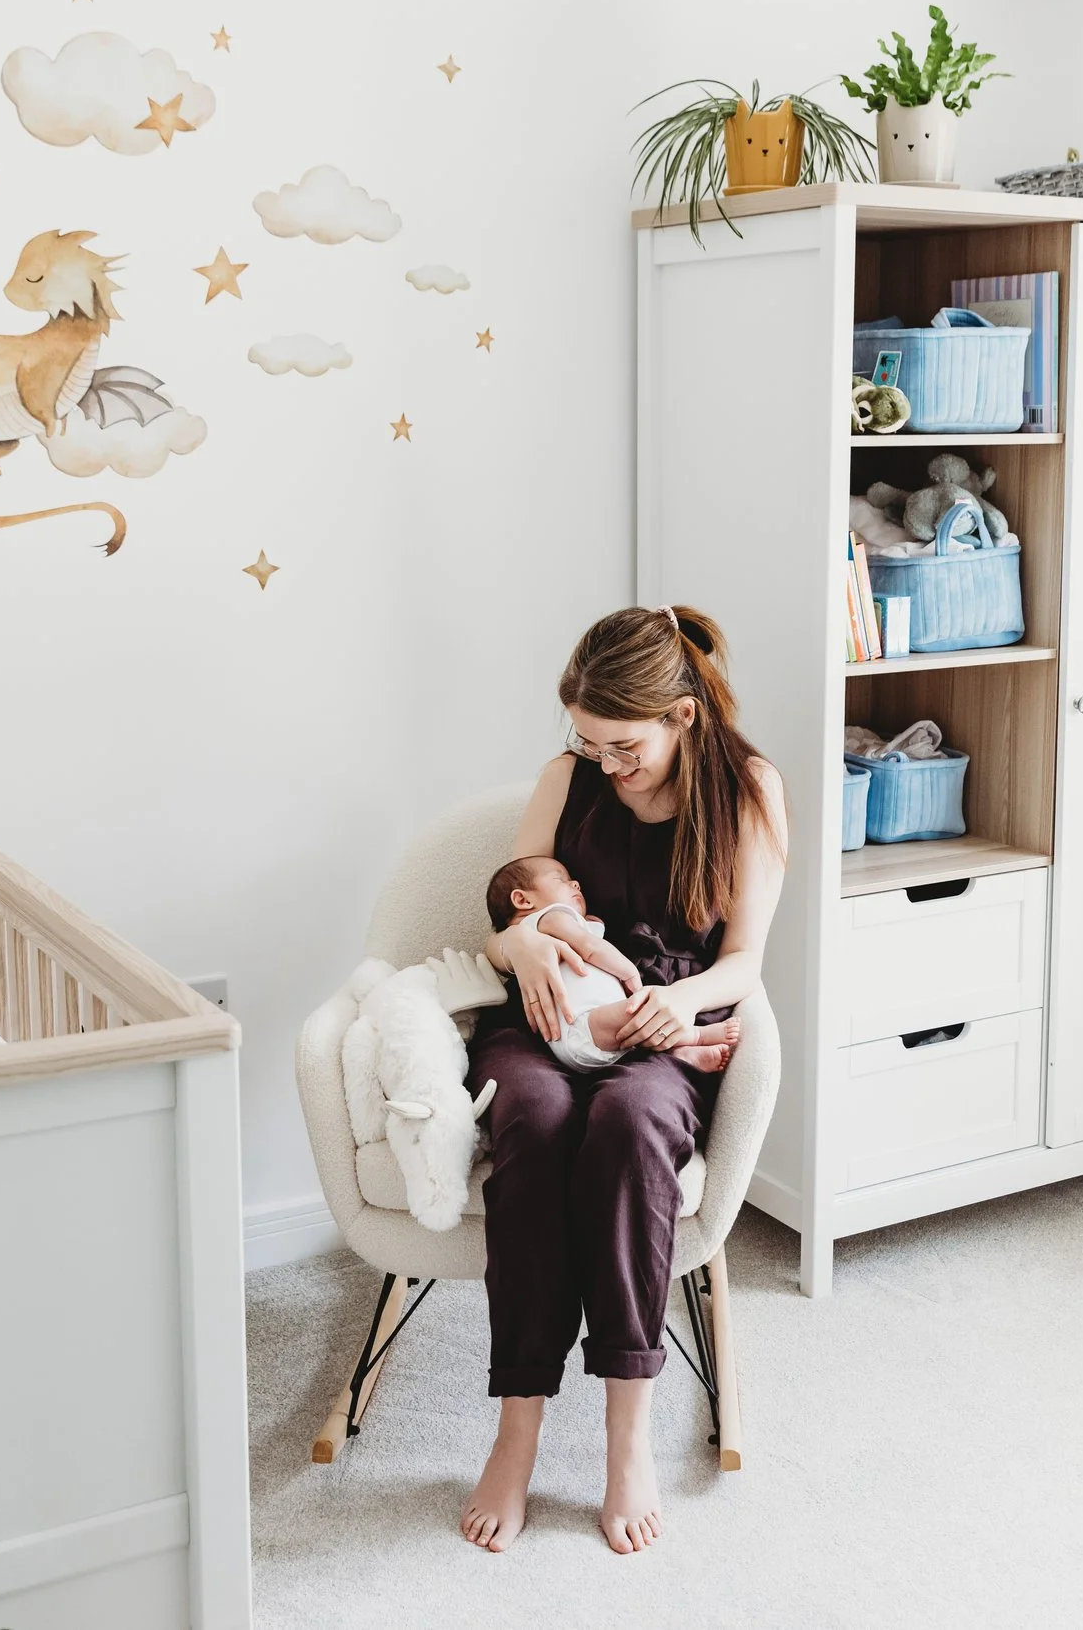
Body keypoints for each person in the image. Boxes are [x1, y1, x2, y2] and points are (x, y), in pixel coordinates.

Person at [460, 605, 786, 1556]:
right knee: (532, 1109)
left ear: (683, 715)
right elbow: (512, 903)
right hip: (552, 1016)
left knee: (633, 1123)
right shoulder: (568, 778)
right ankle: (517, 1432)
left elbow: (744, 962)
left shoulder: (749, 788)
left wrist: (683, 1012)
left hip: (665, 1028)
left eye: (623, 744)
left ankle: (627, 1434)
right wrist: (519, 943)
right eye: (588, 741)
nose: (604, 762)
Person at [483, 853, 745, 1076]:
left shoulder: (550, 929)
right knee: (645, 1011)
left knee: (639, 1031)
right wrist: (630, 975)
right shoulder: (549, 919)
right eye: (560, 880)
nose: (575, 883)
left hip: (576, 1038)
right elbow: (590, 948)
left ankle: (681, 1054)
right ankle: (697, 1036)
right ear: (523, 900)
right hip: (584, 1023)